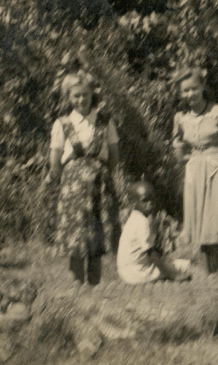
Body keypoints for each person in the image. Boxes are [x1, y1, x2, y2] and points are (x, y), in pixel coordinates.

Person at [48, 68, 120, 284]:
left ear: (92, 94)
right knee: (75, 238)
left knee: (96, 238)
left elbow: (114, 155)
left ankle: (95, 285)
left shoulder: (104, 121)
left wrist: (103, 175)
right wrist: (66, 180)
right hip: (72, 187)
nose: (81, 100)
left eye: (85, 95)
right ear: (68, 97)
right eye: (75, 96)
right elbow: (55, 160)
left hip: (99, 184)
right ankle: (76, 286)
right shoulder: (61, 124)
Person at [171, 67, 218, 274]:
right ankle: (209, 277)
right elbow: (177, 145)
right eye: (185, 91)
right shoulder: (180, 117)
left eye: (193, 88)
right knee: (200, 231)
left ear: (202, 86)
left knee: (214, 230)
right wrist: (189, 159)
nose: (190, 94)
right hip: (195, 171)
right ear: (180, 93)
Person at [117, 181, 191, 284]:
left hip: (125, 272)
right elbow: (151, 254)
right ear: (133, 203)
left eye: (152, 200)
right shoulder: (141, 222)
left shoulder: (133, 219)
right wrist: (172, 275)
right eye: (145, 200)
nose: (150, 203)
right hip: (137, 273)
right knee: (185, 265)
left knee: (169, 263)